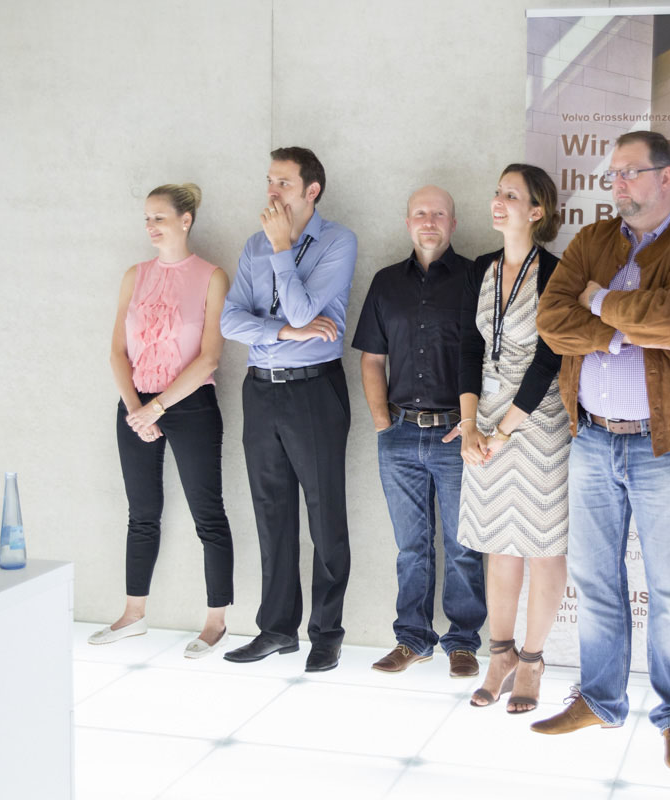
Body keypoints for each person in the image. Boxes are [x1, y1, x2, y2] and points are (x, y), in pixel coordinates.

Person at [533, 130, 670, 772]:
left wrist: (597, 300)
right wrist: (622, 333)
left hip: (664, 443)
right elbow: (551, 321)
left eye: (630, 172)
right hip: (591, 438)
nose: (617, 183)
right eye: (613, 174)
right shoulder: (591, 241)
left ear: (666, 176)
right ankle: (600, 699)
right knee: (595, 579)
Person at [219, 147, 357, 672]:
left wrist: (282, 248)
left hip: (314, 390)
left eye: (283, 182)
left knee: (325, 515)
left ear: (311, 190)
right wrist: (284, 333)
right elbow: (230, 322)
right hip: (260, 390)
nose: (271, 191)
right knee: (271, 513)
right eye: (269, 180)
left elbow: (303, 310)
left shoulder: (337, 241)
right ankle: (277, 630)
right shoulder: (254, 244)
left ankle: (327, 633)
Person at [93, 183, 234, 659]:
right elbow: (117, 352)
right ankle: (133, 615)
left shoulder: (212, 276)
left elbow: (210, 357)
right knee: (141, 513)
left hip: (191, 406)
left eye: (159, 218)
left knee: (207, 514)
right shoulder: (134, 275)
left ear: (185, 220)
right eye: (147, 219)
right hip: (134, 405)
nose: (151, 227)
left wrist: (157, 408)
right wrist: (136, 408)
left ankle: (215, 622)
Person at [351, 185, 486, 678]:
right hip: (401, 435)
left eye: (439, 214)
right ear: (408, 222)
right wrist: (383, 425)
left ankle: (463, 643)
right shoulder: (386, 283)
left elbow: (489, 359)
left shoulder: (476, 278)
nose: (429, 221)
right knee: (411, 547)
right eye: (420, 213)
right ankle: (412, 639)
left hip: (457, 435)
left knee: (463, 546)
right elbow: (372, 360)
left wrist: (473, 425)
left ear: (453, 223)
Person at [456, 164, 566, 715]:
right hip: (486, 414)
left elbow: (551, 359)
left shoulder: (557, 272)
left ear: (537, 211)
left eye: (511, 195)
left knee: (542, 547)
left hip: (539, 420)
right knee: (498, 542)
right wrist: (470, 425)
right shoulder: (482, 267)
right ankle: (499, 655)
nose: (498, 201)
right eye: (497, 192)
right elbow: (467, 347)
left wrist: (502, 431)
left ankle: (532, 661)